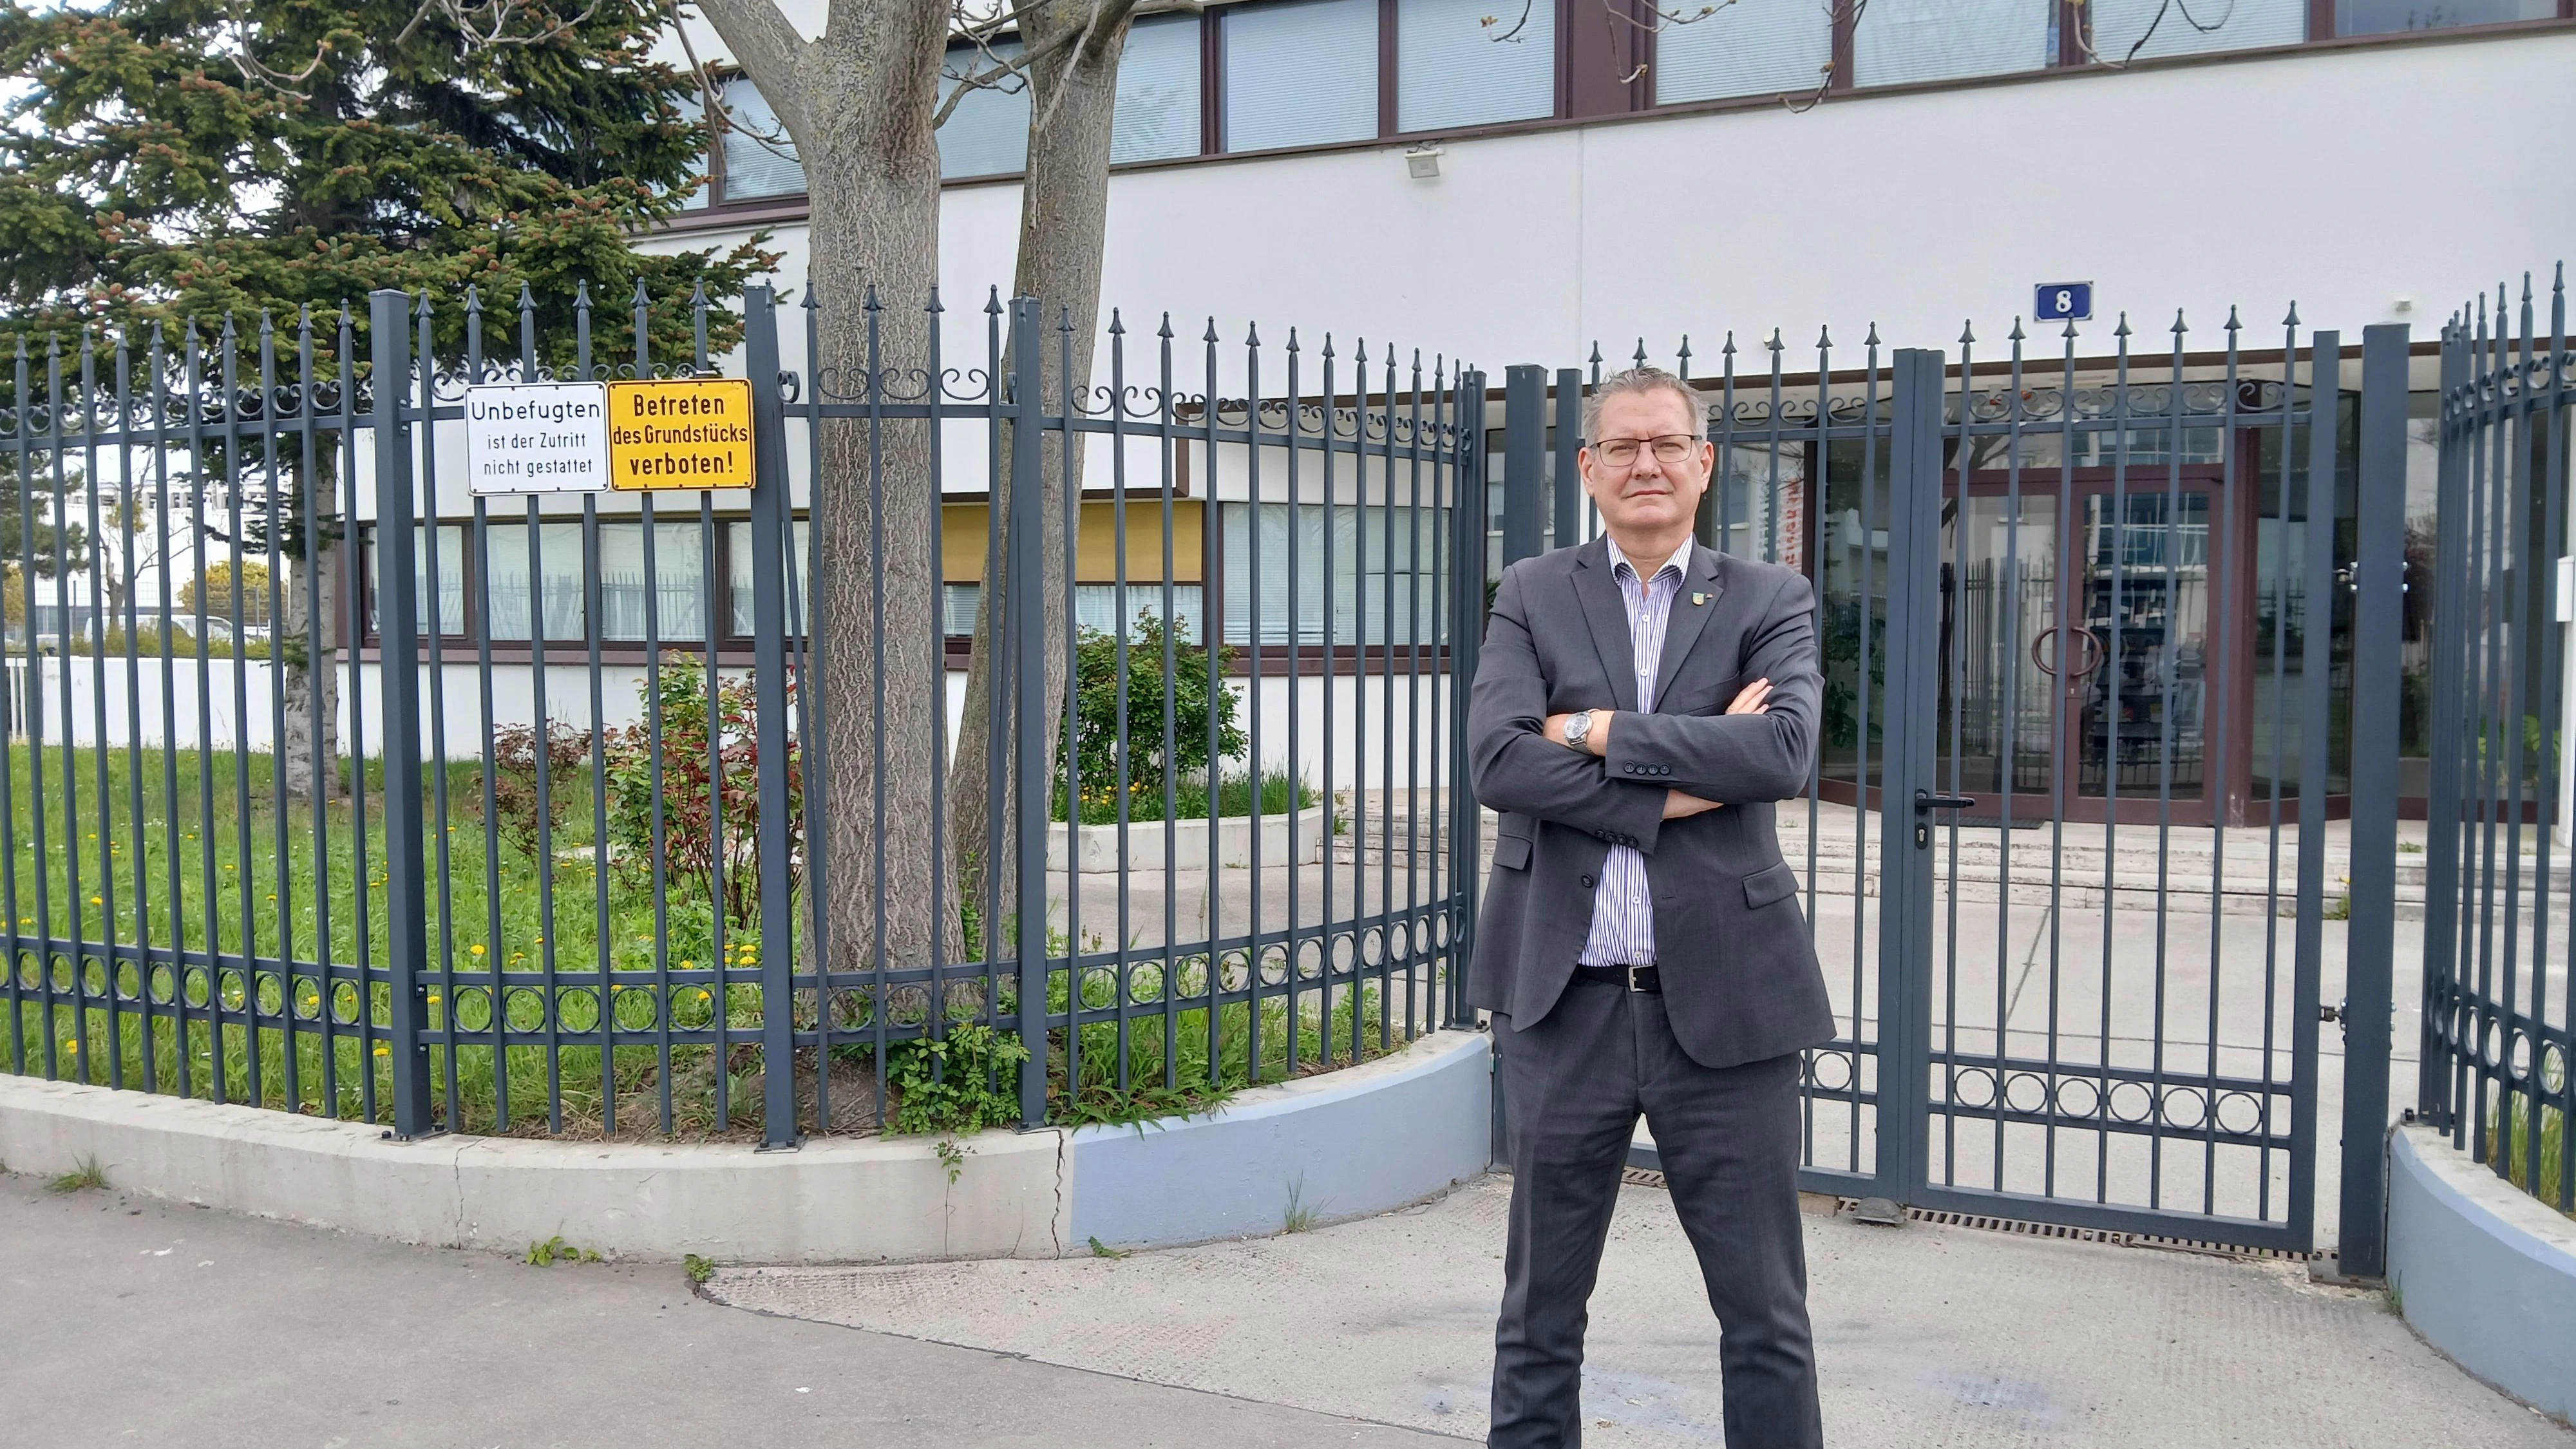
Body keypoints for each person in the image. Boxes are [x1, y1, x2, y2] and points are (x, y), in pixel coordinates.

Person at [1468, 365, 1831, 1448]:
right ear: (1588, 467)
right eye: (1622, 447)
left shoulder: (1770, 597)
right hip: (1561, 1005)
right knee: (1538, 1319)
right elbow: (1495, 758)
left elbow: (1782, 750)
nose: (1646, 465)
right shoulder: (1532, 591)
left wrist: (1589, 731)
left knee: (1765, 1317)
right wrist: (1679, 785)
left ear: (1704, 462)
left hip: (1726, 1010)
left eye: (1668, 444)